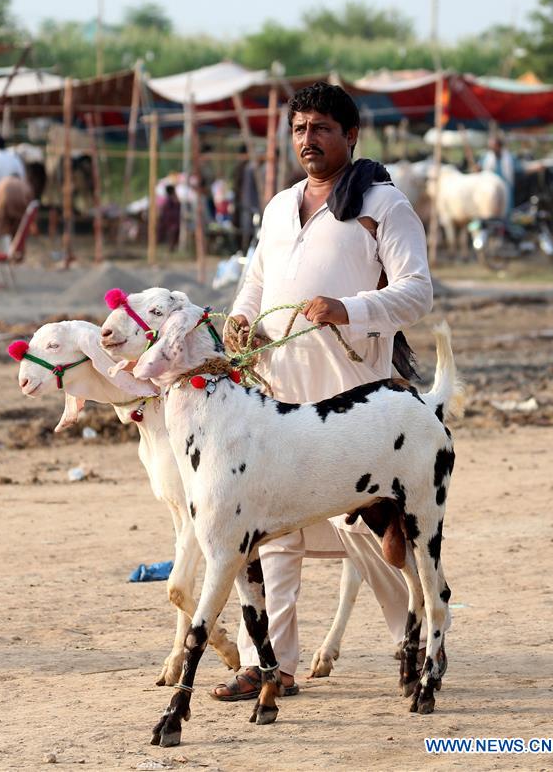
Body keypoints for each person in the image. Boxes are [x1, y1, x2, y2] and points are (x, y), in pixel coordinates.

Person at [212, 82, 433, 701]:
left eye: (321, 129)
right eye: (299, 129)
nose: (308, 140)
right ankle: (273, 663)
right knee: (272, 532)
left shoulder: (385, 205)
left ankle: (410, 637)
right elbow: (255, 281)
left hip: (354, 400)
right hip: (280, 395)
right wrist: (239, 322)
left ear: (351, 135)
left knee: (370, 535)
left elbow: (418, 293)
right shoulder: (280, 205)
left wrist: (349, 307)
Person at [481, 135, 515, 213]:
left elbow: (520, 167)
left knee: (506, 211)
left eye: (494, 146)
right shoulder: (487, 158)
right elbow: (481, 168)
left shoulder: (509, 158)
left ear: (499, 146)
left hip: (506, 190)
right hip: (491, 190)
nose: (493, 148)